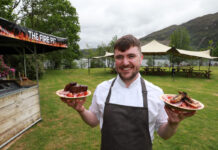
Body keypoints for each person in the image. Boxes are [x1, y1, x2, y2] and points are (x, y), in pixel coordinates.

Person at [61, 34, 195, 150]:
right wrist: (81, 110)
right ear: (114, 59)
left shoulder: (156, 93)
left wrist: (173, 123)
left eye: (131, 56)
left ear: (141, 58)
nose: (125, 62)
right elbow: (94, 121)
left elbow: (164, 134)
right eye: (119, 57)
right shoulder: (102, 89)